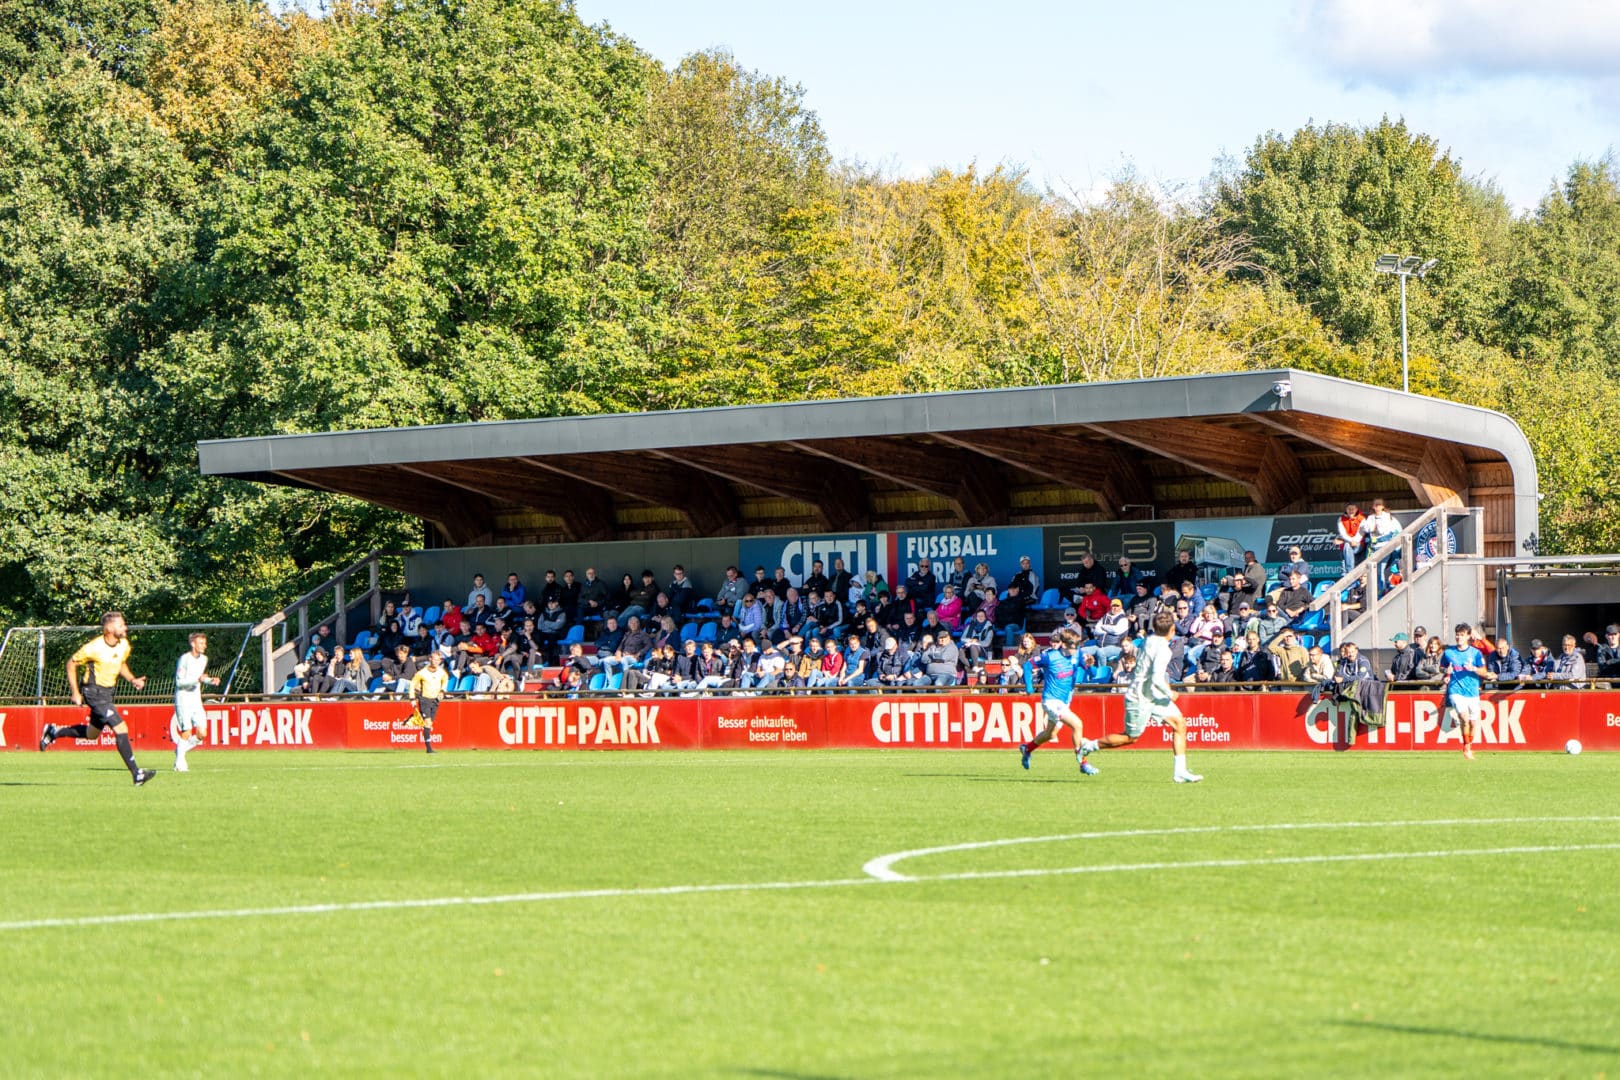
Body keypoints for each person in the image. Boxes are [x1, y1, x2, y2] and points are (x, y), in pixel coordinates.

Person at [1077, 611, 1201, 783]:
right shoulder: (1163, 649)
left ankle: (1180, 771)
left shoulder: (1148, 639)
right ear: (1172, 630)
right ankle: (1087, 746)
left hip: (1153, 695)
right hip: (1140, 697)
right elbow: (1158, 678)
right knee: (1130, 738)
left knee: (1180, 723)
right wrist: (1170, 692)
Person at [41, 612, 156, 785]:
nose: (125, 628)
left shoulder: (123, 644)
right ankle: (137, 774)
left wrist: (132, 679)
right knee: (121, 728)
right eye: (121, 625)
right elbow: (71, 664)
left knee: (92, 734)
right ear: (109, 628)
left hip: (108, 693)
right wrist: (75, 692)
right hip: (93, 692)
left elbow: (120, 663)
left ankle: (54, 732)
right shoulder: (93, 647)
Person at [1017, 628, 1098, 775]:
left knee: (1050, 734)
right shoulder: (1049, 656)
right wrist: (1029, 688)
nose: (1077, 650)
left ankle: (1027, 748)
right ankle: (1083, 763)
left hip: (1065, 701)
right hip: (1051, 701)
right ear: (1064, 645)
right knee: (1077, 724)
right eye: (1074, 647)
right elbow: (1027, 666)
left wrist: (1090, 665)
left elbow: (1093, 674)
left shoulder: (1078, 654)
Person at [170, 631, 219, 773]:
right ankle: (179, 763)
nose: (204, 646)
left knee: (202, 734)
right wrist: (197, 679)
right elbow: (179, 683)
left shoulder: (204, 659)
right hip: (183, 697)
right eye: (201, 643)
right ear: (193, 644)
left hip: (195, 699)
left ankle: (180, 750)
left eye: (205, 643)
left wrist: (211, 680)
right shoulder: (184, 659)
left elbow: (201, 678)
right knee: (186, 732)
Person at [1441, 623, 1489, 759]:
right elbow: (1441, 667)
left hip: (1472, 692)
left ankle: (1469, 745)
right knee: (1464, 717)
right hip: (1455, 690)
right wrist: (1446, 671)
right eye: (1457, 634)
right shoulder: (1449, 652)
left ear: (1468, 636)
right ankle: (1466, 747)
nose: (1458, 637)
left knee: (1473, 723)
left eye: (1462, 635)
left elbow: (1484, 672)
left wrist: (1473, 669)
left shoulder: (1475, 653)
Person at [408, 651, 449, 753]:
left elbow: (445, 680)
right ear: (430, 659)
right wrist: (412, 698)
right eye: (434, 659)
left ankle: (413, 718)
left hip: (435, 700)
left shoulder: (441, 672)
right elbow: (412, 684)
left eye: (438, 660)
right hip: (425, 699)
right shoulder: (422, 673)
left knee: (430, 724)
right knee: (427, 722)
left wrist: (442, 691)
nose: (435, 662)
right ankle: (429, 749)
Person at [1337, 502, 1366, 575]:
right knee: (1346, 546)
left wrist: (1355, 541)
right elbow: (1342, 534)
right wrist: (1351, 541)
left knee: (1347, 547)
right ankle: (1348, 574)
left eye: (1353, 509)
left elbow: (1361, 533)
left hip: (1359, 544)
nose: (1351, 511)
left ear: (1356, 509)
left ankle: (1350, 572)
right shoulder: (1341, 519)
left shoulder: (1362, 518)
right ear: (1346, 510)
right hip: (1347, 544)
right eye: (1349, 509)